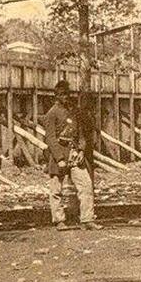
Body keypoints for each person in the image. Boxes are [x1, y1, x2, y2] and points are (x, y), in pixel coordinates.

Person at [42, 79, 102, 231]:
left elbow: (81, 134)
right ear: (56, 96)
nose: (65, 97)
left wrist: (81, 150)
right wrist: (59, 159)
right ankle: (59, 220)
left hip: (75, 154)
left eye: (67, 94)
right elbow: (50, 138)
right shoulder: (51, 114)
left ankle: (87, 219)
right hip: (59, 155)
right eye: (61, 95)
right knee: (56, 190)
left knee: (86, 185)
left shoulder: (74, 112)